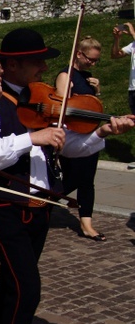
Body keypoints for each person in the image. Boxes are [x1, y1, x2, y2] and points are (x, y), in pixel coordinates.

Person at [0, 28, 133, 324]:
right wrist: (33, 137)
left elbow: (70, 146)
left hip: (42, 203)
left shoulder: (44, 100)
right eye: (37, 60)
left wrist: (102, 133)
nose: (44, 67)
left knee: (10, 285)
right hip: (6, 203)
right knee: (27, 289)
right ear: (12, 64)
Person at [55, 36, 105, 241]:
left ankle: (87, 224)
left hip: (89, 134)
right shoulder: (65, 75)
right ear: (79, 54)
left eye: (96, 61)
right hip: (72, 135)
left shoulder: (88, 77)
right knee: (72, 179)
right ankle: (46, 198)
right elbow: (62, 106)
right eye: (90, 60)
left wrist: (97, 90)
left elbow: (93, 106)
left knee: (87, 181)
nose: (92, 64)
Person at [110, 22, 135, 116]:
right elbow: (115, 55)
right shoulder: (133, 44)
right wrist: (117, 39)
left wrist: (132, 33)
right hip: (133, 89)